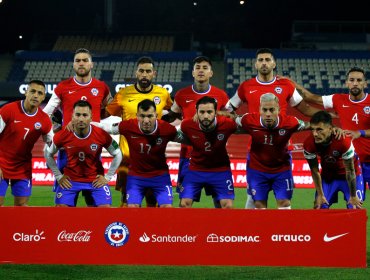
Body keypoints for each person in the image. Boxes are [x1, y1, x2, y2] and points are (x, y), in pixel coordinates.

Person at [225, 48, 322, 209]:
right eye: (261, 60)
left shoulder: (286, 85)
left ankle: (281, 232)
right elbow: (229, 109)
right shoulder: (246, 86)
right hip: (256, 149)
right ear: (256, 64)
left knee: (282, 201)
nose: (264, 63)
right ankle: (251, 232)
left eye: (267, 60)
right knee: (255, 198)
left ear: (274, 63)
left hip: (281, 147)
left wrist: (326, 117)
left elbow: (304, 109)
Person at [43, 48, 113, 206]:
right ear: (73, 64)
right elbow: (45, 113)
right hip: (67, 151)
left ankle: (93, 229)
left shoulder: (101, 87)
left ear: (92, 64)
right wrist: (54, 131)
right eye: (78, 60)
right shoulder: (63, 87)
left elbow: (111, 110)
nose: (81, 63)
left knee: (94, 199)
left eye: (85, 60)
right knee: (65, 202)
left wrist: (101, 126)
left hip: (93, 150)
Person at [293, 66, 369, 201]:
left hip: (369, 161)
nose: (355, 83)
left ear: (365, 83)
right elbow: (309, 97)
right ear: (346, 83)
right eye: (352, 80)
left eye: (359, 80)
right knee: (352, 204)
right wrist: (289, 83)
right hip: (349, 161)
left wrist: (360, 132)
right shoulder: (338, 99)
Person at [162, 56, 230, 206]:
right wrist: (158, 119)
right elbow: (172, 116)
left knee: (221, 203)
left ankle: (222, 230)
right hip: (189, 156)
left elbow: (230, 119)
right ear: (192, 72)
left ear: (211, 73)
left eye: (205, 68)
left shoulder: (221, 96)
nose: (201, 71)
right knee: (185, 203)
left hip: (215, 157)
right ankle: (185, 230)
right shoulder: (181, 95)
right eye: (198, 68)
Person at [106, 56, 173, 207]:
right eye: (141, 71)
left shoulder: (162, 94)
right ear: (136, 73)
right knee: (127, 204)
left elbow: (173, 111)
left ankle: (151, 232)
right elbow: (106, 113)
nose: (144, 74)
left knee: (152, 204)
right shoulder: (123, 94)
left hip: (153, 160)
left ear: (154, 74)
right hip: (128, 158)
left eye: (148, 71)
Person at [95, 99, 185, 207]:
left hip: (160, 177)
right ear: (137, 116)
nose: (146, 120)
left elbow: (187, 140)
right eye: (142, 116)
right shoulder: (128, 126)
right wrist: (83, 124)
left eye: (150, 116)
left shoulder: (167, 129)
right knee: (132, 208)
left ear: (156, 115)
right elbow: (106, 128)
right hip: (136, 177)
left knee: (167, 208)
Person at [235, 93, 310, 209]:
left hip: (281, 169)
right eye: (264, 110)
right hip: (257, 169)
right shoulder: (248, 120)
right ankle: (259, 227)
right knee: (259, 204)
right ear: (259, 109)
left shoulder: (290, 122)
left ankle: (284, 227)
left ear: (278, 109)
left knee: (284, 203)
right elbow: (232, 121)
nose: (268, 114)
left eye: (272, 110)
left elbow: (308, 125)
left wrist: (332, 128)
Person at [44, 100, 122, 207]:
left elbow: (117, 153)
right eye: (78, 115)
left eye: (85, 115)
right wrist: (58, 176)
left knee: (105, 210)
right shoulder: (63, 135)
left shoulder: (101, 134)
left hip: (95, 180)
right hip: (71, 180)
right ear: (72, 116)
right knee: (60, 211)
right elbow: (48, 153)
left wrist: (108, 177)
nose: (81, 118)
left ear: (91, 117)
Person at [0, 80, 53, 206]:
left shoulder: (44, 119)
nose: (36, 95)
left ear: (43, 97)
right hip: (1, 164)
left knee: (22, 207)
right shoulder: (8, 110)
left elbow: (52, 143)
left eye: (40, 93)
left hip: (22, 168)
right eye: (33, 91)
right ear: (26, 92)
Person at [179, 96, 237, 208]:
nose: (205, 116)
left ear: (216, 112)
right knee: (184, 204)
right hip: (196, 169)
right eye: (202, 112)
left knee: (228, 206)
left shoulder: (228, 124)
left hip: (220, 170)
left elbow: (242, 124)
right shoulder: (187, 125)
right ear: (196, 112)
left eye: (209, 112)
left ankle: (222, 226)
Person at [303, 111, 363, 209]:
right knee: (320, 206)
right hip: (329, 177)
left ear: (330, 129)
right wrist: (320, 195)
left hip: (350, 176)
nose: (315, 134)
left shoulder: (343, 141)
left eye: (319, 130)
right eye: (313, 129)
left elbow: (350, 171)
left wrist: (353, 196)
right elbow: (314, 171)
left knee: (355, 207)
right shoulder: (309, 144)